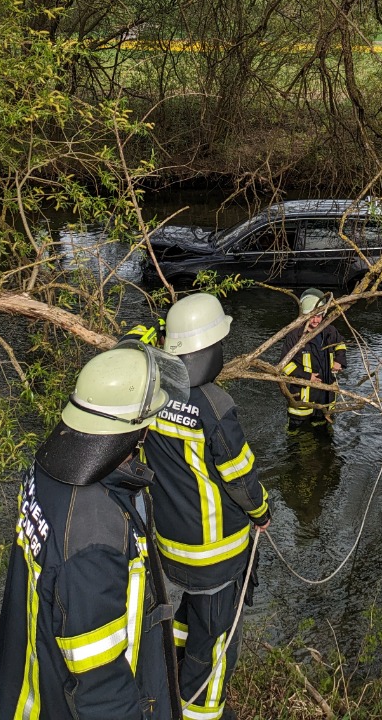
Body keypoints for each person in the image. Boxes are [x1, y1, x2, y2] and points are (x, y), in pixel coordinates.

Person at [0, 341, 189, 720]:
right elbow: (101, 689)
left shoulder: (48, 467)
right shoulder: (94, 538)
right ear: (136, 432)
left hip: (28, 682)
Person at [142, 292, 270, 720]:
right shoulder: (214, 407)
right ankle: (201, 712)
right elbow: (241, 476)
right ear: (208, 348)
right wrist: (262, 512)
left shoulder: (152, 394)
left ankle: (170, 684)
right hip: (216, 556)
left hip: (172, 549)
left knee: (187, 618)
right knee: (215, 642)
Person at [280, 288, 347, 432]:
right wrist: (307, 376)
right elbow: (284, 366)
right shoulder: (294, 336)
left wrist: (339, 360)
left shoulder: (329, 330)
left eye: (319, 316)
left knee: (322, 430)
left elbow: (340, 344)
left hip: (326, 395)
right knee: (297, 434)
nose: (316, 320)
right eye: (312, 316)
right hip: (303, 397)